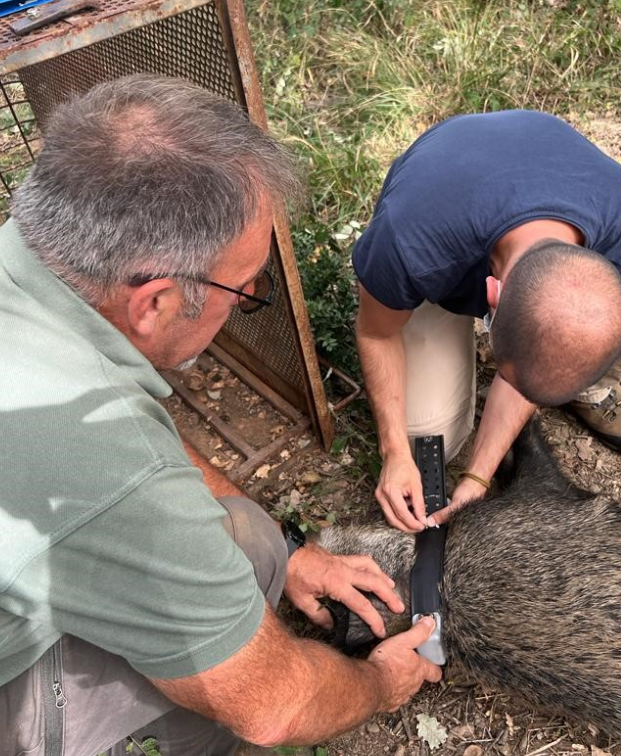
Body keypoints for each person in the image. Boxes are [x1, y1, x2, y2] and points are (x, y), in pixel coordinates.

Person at [0, 74, 441, 756]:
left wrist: (291, 552)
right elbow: (277, 708)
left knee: (252, 543)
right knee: (226, 682)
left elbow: (130, 454)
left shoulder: (27, 266)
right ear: (153, 303)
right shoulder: (114, 473)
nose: (244, 301)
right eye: (244, 289)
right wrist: (382, 681)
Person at [353, 110, 621, 533]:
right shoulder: (410, 243)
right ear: (490, 296)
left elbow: (544, 345)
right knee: (428, 440)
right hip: (448, 200)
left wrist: (478, 476)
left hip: (551, 184)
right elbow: (376, 332)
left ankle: (582, 382)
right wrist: (393, 451)